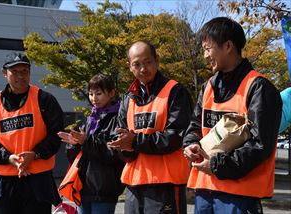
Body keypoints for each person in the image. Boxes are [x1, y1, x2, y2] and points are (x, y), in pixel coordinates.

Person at [182, 17, 282, 214]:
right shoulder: (208, 87)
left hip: (239, 197)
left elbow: (260, 145)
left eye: (207, 49)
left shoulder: (259, 88)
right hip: (204, 191)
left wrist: (217, 165)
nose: (205, 55)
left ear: (228, 46)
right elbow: (194, 125)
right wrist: (190, 144)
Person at [107, 40, 193, 214]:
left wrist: (134, 142)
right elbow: (121, 139)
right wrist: (122, 146)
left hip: (166, 183)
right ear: (129, 66)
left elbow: (175, 136)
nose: (143, 69)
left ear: (157, 60)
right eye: (136, 64)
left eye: (148, 62)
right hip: (133, 184)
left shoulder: (175, 91)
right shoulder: (128, 98)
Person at [0, 52, 64, 213]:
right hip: (5, 181)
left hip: (38, 179)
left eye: (24, 71)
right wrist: (8, 157)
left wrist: (35, 154)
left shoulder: (44, 99)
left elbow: (57, 135)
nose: (20, 76)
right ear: (4, 73)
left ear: (29, 73)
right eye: (14, 72)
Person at [57, 74, 126, 214]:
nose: (94, 98)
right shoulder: (91, 118)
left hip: (104, 188)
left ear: (112, 93)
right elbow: (78, 157)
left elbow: (113, 152)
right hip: (83, 185)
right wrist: (74, 144)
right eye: (91, 93)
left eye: (99, 93)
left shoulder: (118, 118)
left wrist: (85, 141)